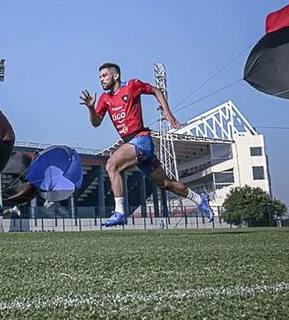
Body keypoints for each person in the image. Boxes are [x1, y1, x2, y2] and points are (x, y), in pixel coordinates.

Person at [80, 63, 214, 226]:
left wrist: (168, 113)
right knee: (166, 184)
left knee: (111, 165)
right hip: (132, 144)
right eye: (100, 77)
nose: (101, 79)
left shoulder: (131, 86)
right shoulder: (105, 99)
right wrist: (91, 108)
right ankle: (200, 199)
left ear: (115, 76)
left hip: (141, 140)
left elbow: (156, 90)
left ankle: (120, 212)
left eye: (104, 76)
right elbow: (96, 123)